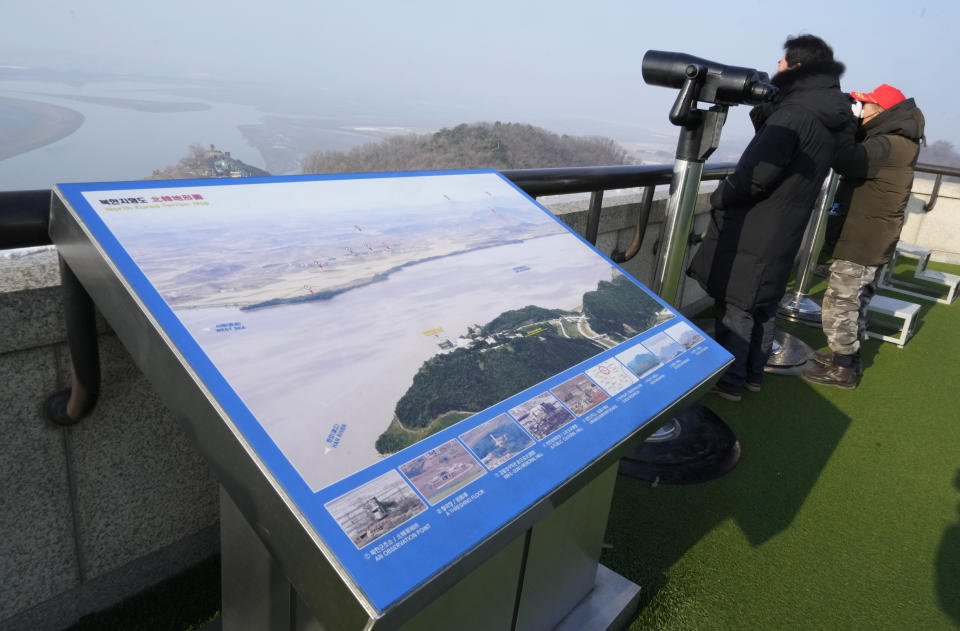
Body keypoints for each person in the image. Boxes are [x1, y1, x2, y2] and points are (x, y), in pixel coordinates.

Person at [688, 34, 855, 402]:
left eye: (782, 64)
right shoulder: (825, 116)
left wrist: (720, 197)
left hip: (755, 227)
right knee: (762, 306)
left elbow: (757, 174)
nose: (775, 69)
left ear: (797, 68)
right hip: (785, 227)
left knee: (737, 306)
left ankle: (729, 382)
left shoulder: (795, 115)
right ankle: (752, 376)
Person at [802, 84, 925, 389]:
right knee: (855, 299)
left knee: (840, 302)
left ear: (881, 112)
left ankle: (844, 369)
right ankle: (846, 356)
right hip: (872, 236)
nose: (860, 109)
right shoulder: (896, 140)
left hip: (863, 239)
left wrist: (846, 124)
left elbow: (845, 159)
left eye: (864, 105)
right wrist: (854, 122)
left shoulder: (889, 144)